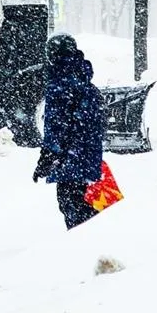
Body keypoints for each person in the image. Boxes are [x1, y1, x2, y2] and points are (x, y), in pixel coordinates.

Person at [32, 33, 105, 230]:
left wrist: (46, 159)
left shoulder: (59, 85)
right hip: (90, 160)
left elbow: (56, 128)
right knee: (91, 211)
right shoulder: (87, 84)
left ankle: (81, 245)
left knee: (73, 210)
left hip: (70, 162)